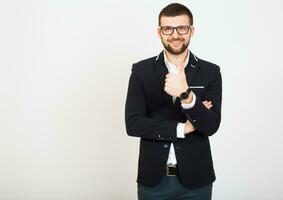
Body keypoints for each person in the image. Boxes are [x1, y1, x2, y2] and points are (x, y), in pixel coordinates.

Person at [125, 3, 222, 200]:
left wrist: (186, 95)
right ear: (159, 32)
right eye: (168, 28)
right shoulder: (141, 71)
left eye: (182, 28)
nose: (175, 35)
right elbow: (133, 124)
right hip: (154, 180)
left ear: (191, 31)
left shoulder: (210, 72)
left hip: (197, 181)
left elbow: (210, 125)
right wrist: (182, 128)